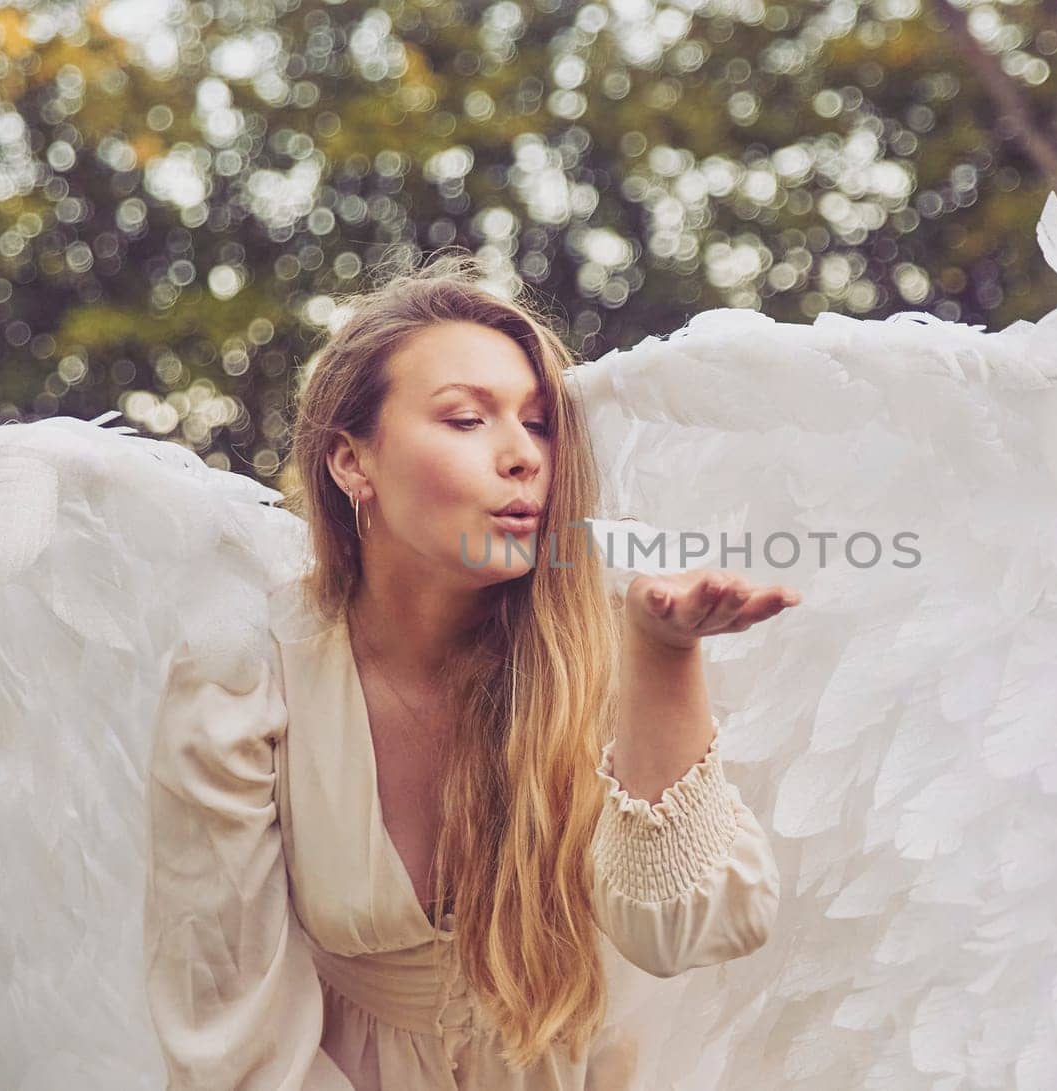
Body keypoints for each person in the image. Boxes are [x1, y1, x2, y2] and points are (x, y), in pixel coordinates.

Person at [141, 254, 800, 1089]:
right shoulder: (244, 674)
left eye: (539, 422)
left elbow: (688, 930)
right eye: (465, 420)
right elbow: (226, 1027)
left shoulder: (600, 639)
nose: (523, 455)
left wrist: (664, 658)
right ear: (353, 462)